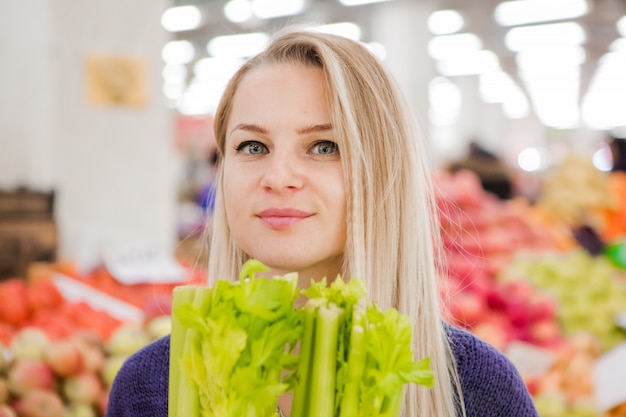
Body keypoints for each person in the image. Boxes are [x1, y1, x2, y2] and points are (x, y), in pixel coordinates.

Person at [106, 26, 538, 417]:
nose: (278, 178)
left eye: (325, 147)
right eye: (253, 147)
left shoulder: (476, 390)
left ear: (384, 173)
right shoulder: (150, 388)